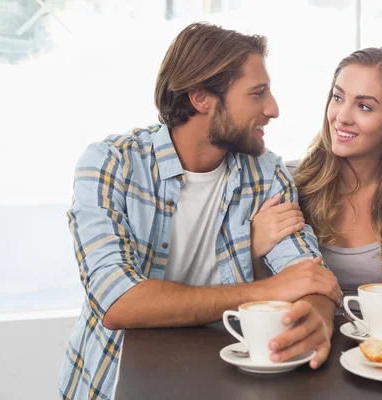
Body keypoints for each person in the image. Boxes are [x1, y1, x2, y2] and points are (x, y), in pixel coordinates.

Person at [59, 22, 341, 400]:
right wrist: (266, 291)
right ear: (201, 98)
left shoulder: (266, 173)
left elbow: (307, 273)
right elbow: (118, 301)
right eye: (257, 94)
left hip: (225, 381)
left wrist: (317, 315)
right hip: (115, 383)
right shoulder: (112, 165)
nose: (273, 109)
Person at [251, 47, 382, 311]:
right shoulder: (288, 180)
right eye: (338, 97)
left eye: (364, 106)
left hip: (381, 345)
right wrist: (252, 246)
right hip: (296, 337)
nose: (342, 117)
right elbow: (258, 294)